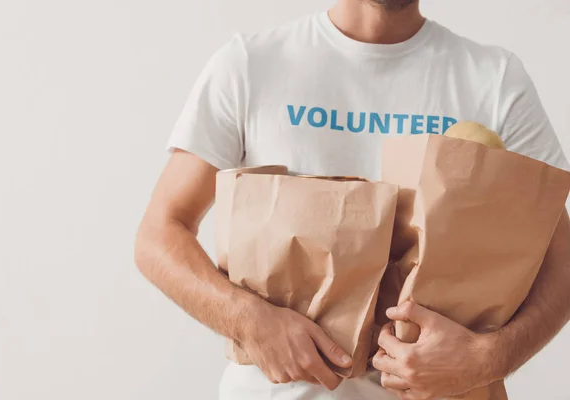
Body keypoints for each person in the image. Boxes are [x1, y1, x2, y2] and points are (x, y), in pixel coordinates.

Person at [134, 0, 570, 399]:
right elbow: (159, 234)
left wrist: (489, 359)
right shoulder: (250, 65)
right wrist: (248, 321)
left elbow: (563, 263)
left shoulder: (494, 79)